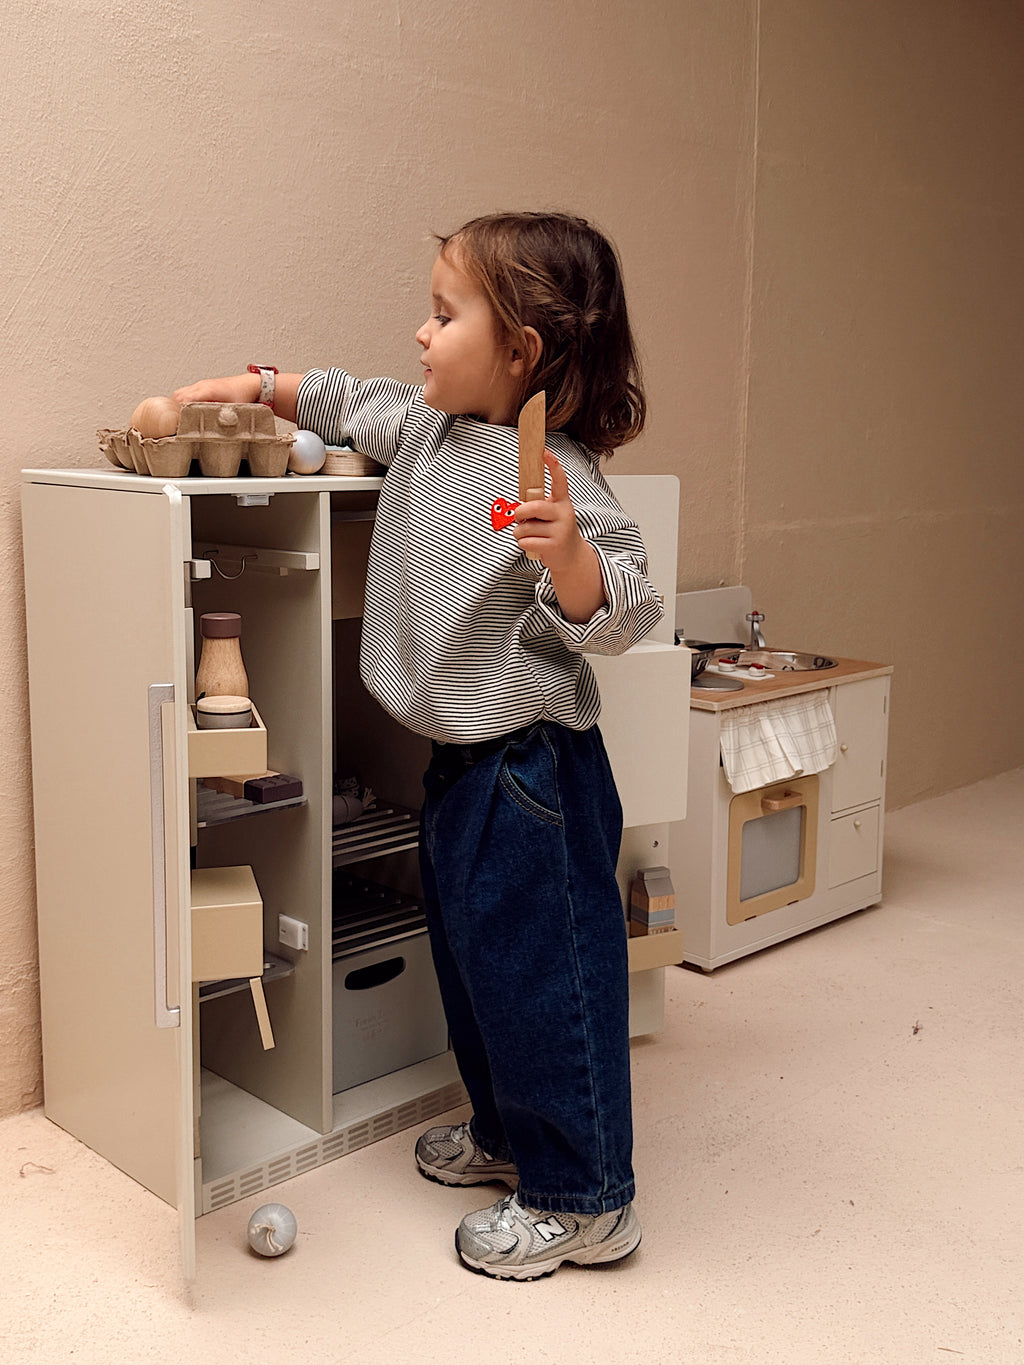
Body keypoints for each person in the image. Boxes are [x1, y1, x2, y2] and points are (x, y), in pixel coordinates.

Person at [175, 211, 664, 1281]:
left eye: (444, 316)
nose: (421, 334)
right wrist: (257, 385)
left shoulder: (553, 483)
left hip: (534, 770)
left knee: (548, 984)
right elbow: (347, 398)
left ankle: (584, 1198)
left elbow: (630, 611)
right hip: (462, 771)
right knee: (481, 976)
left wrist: (569, 557)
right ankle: (505, 1137)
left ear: (522, 348)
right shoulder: (428, 428)